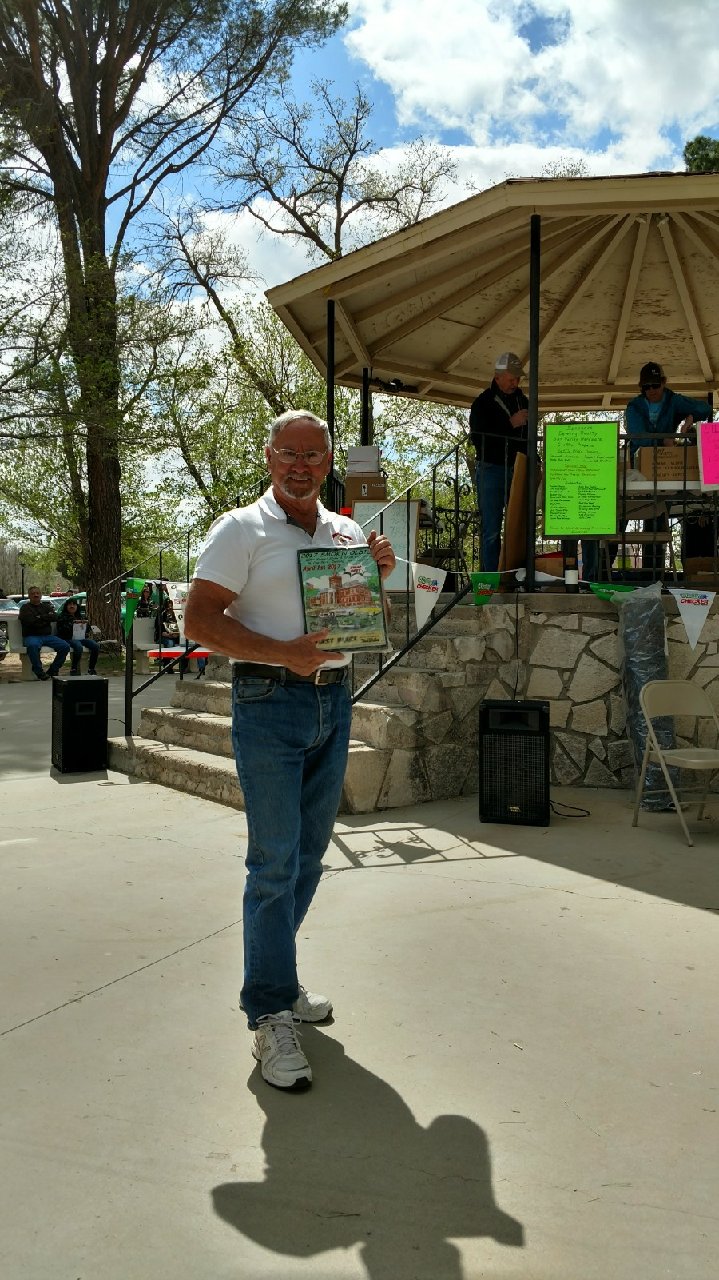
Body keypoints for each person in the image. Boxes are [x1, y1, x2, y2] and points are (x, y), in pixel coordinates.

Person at [184, 409, 396, 1091]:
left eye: (312, 455)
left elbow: (360, 616)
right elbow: (198, 620)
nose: (300, 466)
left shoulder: (345, 531)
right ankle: (269, 1012)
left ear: (328, 461)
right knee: (273, 862)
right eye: (288, 453)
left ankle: (278, 976)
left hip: (335, 699)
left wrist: (377, 573)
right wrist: (284, 654)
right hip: (268, 701)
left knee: (307, 858)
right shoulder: (240, 528)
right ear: (270, 457)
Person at [626, 362, 712, 570]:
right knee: (625, 517)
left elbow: (705, 408)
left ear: (663, 382)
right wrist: (665, 440)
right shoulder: (634, 406)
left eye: (655, 385)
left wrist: (691, 419)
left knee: (658, 518)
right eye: (646, 387)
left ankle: (656, 574)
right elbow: (638, 437)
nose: (651, 390)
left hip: (665, 470)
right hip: (638, 470)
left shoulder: (673, 400)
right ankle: (608, 573)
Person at [469, 351, 529, 571]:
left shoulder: (523, 401)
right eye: (511, 378)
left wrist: (534, 461)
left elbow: (528, 438)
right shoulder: (482, 403)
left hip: (518, 469)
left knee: (518, 529)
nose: (515, 383)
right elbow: (478, 438)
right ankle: (491, 579)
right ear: (497, 377)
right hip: (491, 470)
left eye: (517, 378)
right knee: (492, 530)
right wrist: (510, 424)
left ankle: (515, 576)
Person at [18, 586, 71, 680]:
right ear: (29, 596)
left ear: (41, 595)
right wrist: (46, 618)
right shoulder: (25, 608)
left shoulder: (46, 606)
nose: (36, 595)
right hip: (32, 636)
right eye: (33, 593)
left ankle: (53, 669)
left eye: (37, 593)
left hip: (47, 636)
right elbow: (29, 621)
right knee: (33, 646)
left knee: (65, 646)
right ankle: (39, 671)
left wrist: (39, 617)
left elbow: (54, 617)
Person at [55, 597, 100, 675]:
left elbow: (87, 630)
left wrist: (84, 625)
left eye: (74, 604)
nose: (72, 606)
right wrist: (73, 624)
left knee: (95, 645)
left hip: (81, 638)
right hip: (68, 638)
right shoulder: (62, 617)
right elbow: (61, 630)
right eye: (70, 605)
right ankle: (74, 668)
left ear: (77, 606)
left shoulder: (81, 616)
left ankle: (91, 668)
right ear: (66, 606)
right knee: (78, 646)